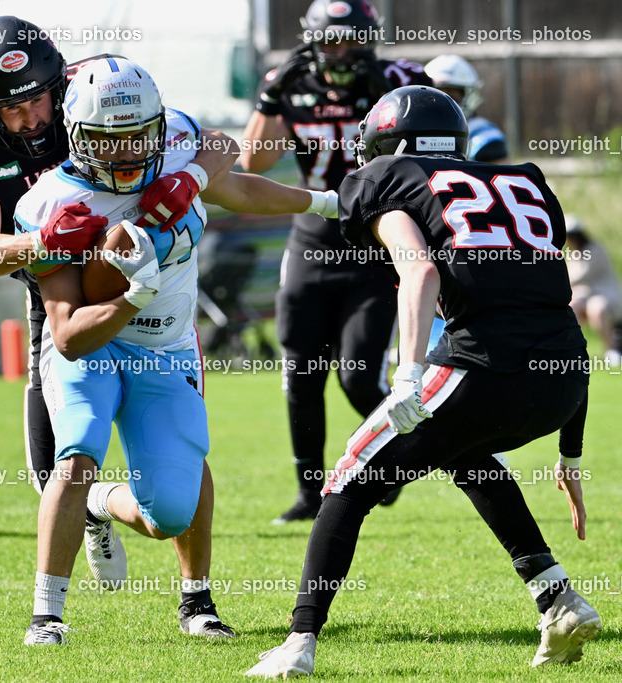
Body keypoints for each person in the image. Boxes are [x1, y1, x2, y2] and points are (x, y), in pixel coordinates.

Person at [246, 85, 601, 678]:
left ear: (388, 148)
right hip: (561, 381)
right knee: (465, 453)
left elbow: (421, 269)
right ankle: (556, 598)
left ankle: (298, 644)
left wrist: (408, 374)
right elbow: (552, 305)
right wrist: (570, 450)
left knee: (346, 483)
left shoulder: (389, 179)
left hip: (479, 368)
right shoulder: (526, 182)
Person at [14, 56, 340, 645]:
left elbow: (230, 169)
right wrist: (135, 294)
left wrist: (322, 203)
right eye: (109, 140)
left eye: (141, 134)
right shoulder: (49, 203)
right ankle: (48, 614)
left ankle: (148, 549)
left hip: (167, 349)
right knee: (76, 455)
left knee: (171, 509)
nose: (129, 151)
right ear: (77, 136)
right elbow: (65, 332)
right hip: (92, 348)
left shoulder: (177, 147)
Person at [0, 17, 239, 584]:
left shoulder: (99, 92)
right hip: (57, 292)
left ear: (58, 86)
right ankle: (94, 506)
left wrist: (190, 181)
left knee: (177, 456)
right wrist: (40, 240)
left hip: (144, 289)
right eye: (10, 111)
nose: (30, 119)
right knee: (54, 478)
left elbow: (215, 146)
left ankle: (196, 594)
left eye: (37, 100)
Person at [239, 0, 430, 523]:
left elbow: (434, 146)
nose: (340, 52)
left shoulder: (399, 78)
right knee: (301, 370)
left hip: (378, 233)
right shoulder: (290, 80)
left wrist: (383, 95)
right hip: (314, 230)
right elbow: (252, 162)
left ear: (369, 39)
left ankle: (388, 466)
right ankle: (308, 493)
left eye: (350, 40)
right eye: (330, 41)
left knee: (357, 375)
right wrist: (268, 97)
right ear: (310, 39)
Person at [425, 54, 508, 163]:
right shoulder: (411, 129)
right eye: (436, 95)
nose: (444, 103)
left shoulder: (479, 131)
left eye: (452, 95)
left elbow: (500, 172)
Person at [564, 215, 622, 367]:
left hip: (607, 296)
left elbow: (580, 276)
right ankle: (572, 349)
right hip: (586, 296)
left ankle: (612, 351)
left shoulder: (595, 250)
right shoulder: (573, 254)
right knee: (573, 307)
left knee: (597, 308)